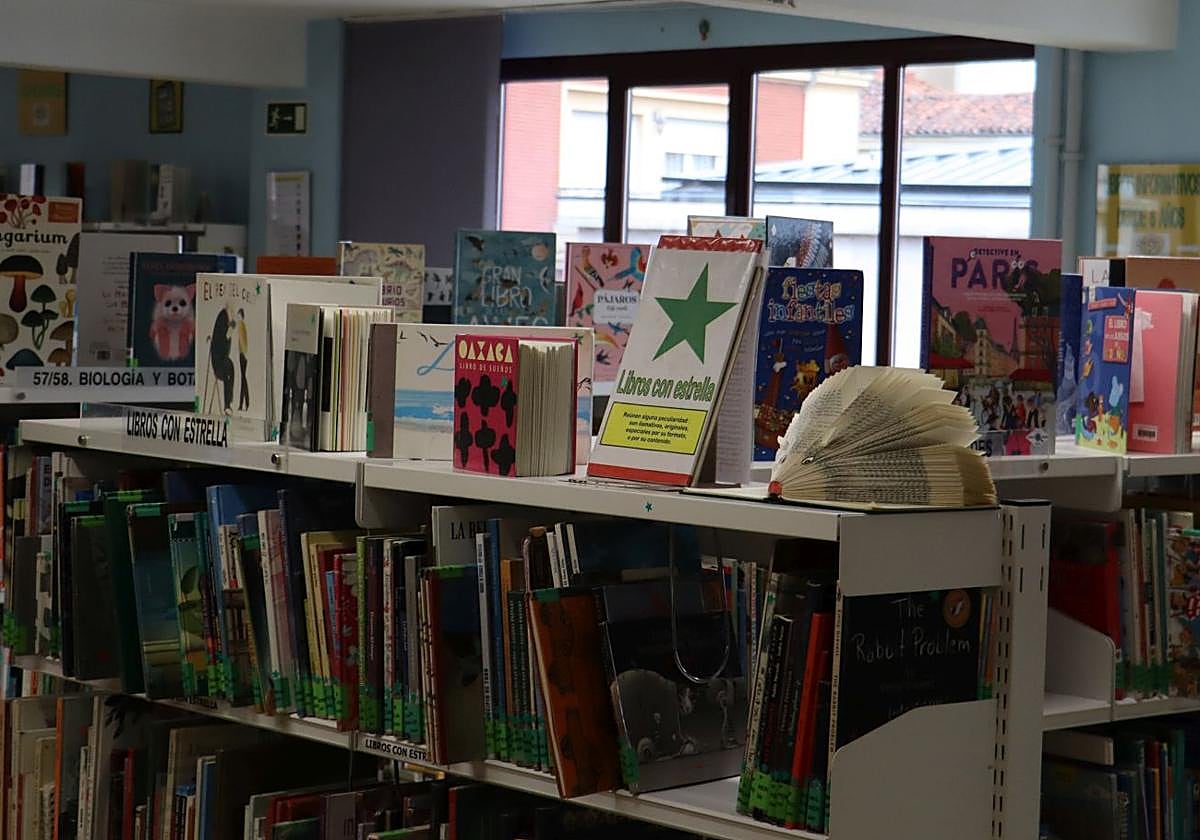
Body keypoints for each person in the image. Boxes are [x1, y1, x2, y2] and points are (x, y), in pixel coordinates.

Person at [237, 308, 250, 411]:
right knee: (243, 379)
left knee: (243, 379)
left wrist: (244, 354)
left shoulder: (241, 325)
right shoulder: (242, 325)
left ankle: (245, 403)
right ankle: (243, 404)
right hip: (243, 354)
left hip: (242, 355)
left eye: (238, 315)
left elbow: (242, 340)